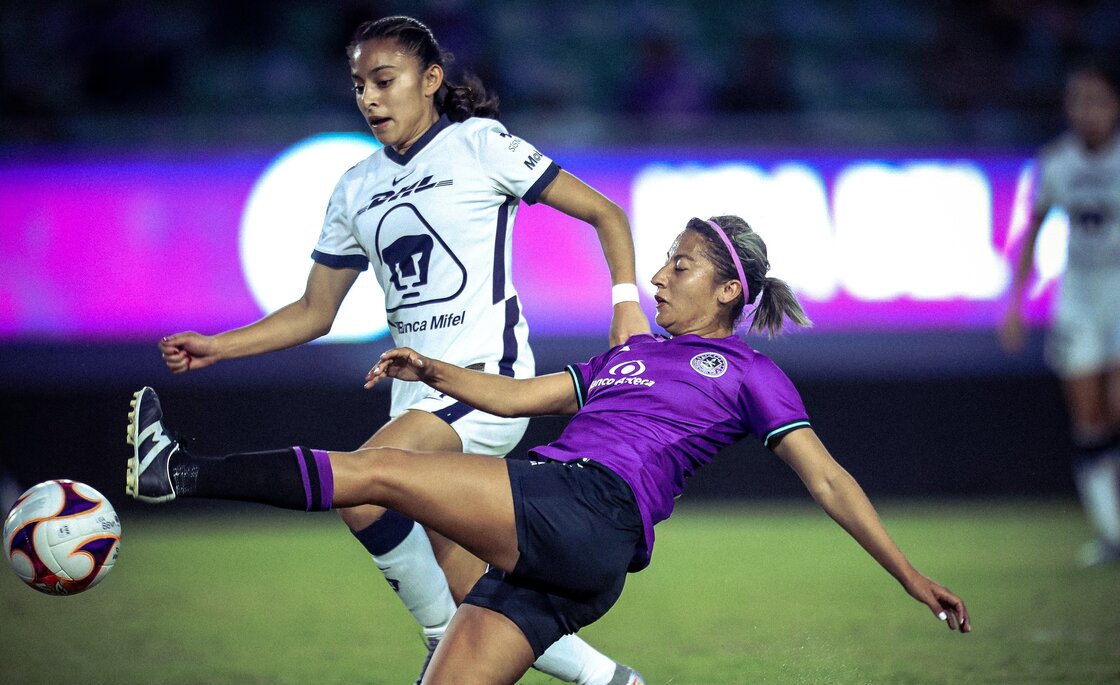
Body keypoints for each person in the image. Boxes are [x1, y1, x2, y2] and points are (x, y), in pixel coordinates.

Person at [129, 215, 971, 684]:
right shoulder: (625, 357)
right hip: (574, 559)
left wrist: (908, 574)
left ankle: (179, 471)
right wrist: (432, 368)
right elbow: (512, 396)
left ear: (727, 291)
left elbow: (829, 480)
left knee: (383, 473)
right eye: (664, 261)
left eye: (681, 265)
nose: (660, 275)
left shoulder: (751, 373)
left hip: (586, 508)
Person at [155, 15, 649, 685]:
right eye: (359, 85)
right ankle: (610, 680)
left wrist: (624, 301)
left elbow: (604, 213)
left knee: (364, 488)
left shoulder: (480, 145)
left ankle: (438, 640)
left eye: (385, 81)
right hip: (416, 398)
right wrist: (219, 346)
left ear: (431, 79)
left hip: (486, 381)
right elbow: (314, 311)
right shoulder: (355, 187)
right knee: (475, 589)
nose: (370, 98)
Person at [1000, 63, 1120, 566]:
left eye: (1097, 100)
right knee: (1089, 419)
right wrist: (1015, 303)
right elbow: (1032, 230)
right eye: (1078, 101)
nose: (1087, 112)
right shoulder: (1056, 162)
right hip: (1080, 297)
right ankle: (1111, 531)